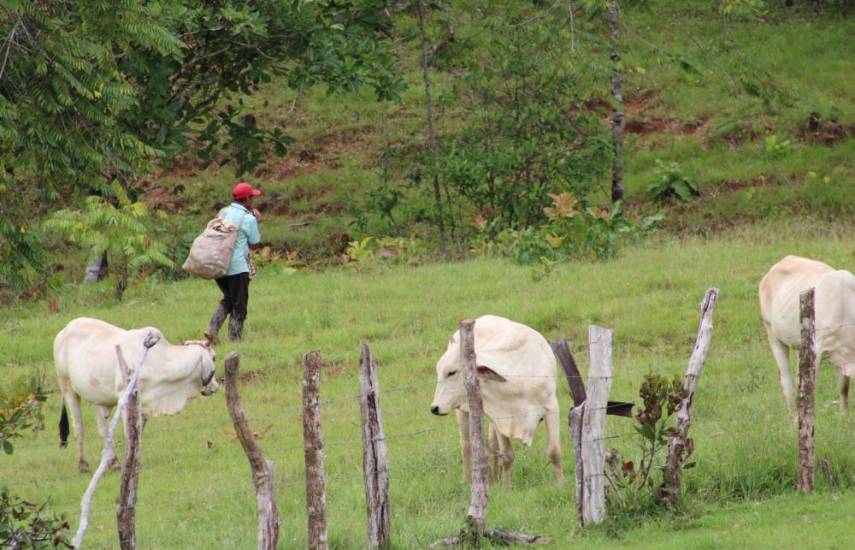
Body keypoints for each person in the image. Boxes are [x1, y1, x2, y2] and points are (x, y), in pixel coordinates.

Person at [205, 182, 262, 343]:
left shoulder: (223, 212)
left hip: (219, 265)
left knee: (229, 298)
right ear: (247, 199)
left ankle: (212, 329)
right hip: (237, 268)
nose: (253, 201)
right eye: (252, 198)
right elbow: (255, 242)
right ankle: (234, 340)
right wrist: (257, 221)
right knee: (239, 306)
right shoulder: (248, 219)